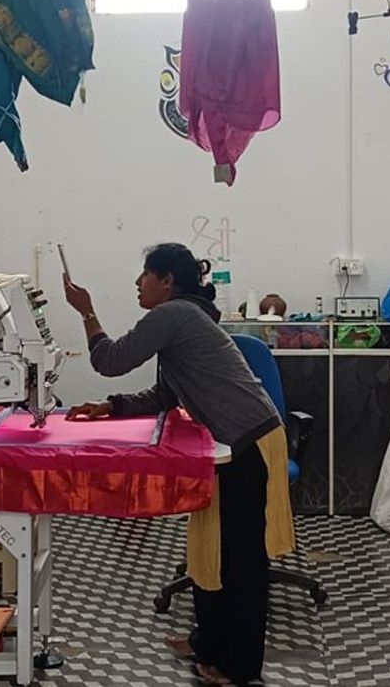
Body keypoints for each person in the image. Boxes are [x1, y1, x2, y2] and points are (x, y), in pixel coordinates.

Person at [63, 243, 295, 685]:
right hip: (231, 444)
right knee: (209, 543)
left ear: (167, 281)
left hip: (251, 444)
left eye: (144, 275)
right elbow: (165, 396)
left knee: (242, 560)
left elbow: (109, 359)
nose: (138, 283)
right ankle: (207, 640)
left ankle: (237, 667)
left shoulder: (172, 316)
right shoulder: (186, 319)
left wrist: (87, 312)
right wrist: (110, 408)